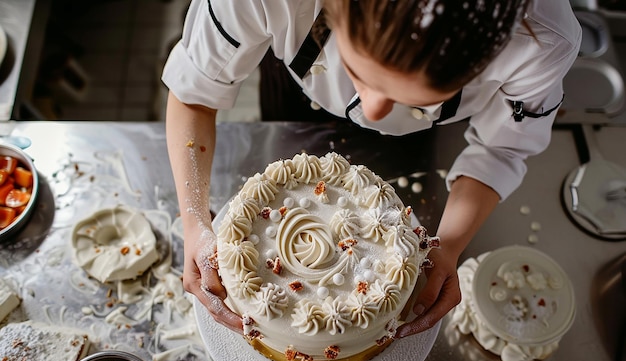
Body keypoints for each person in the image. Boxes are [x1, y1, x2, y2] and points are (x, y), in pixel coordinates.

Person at [162, 0, 581, 338]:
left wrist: (449, 246)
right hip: (295, 105)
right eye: (358, 73)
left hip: (420, 145)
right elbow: (195, 93)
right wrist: (195, 221)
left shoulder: (542, 40)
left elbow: (502, 149)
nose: (374, 112)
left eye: (415, 99)